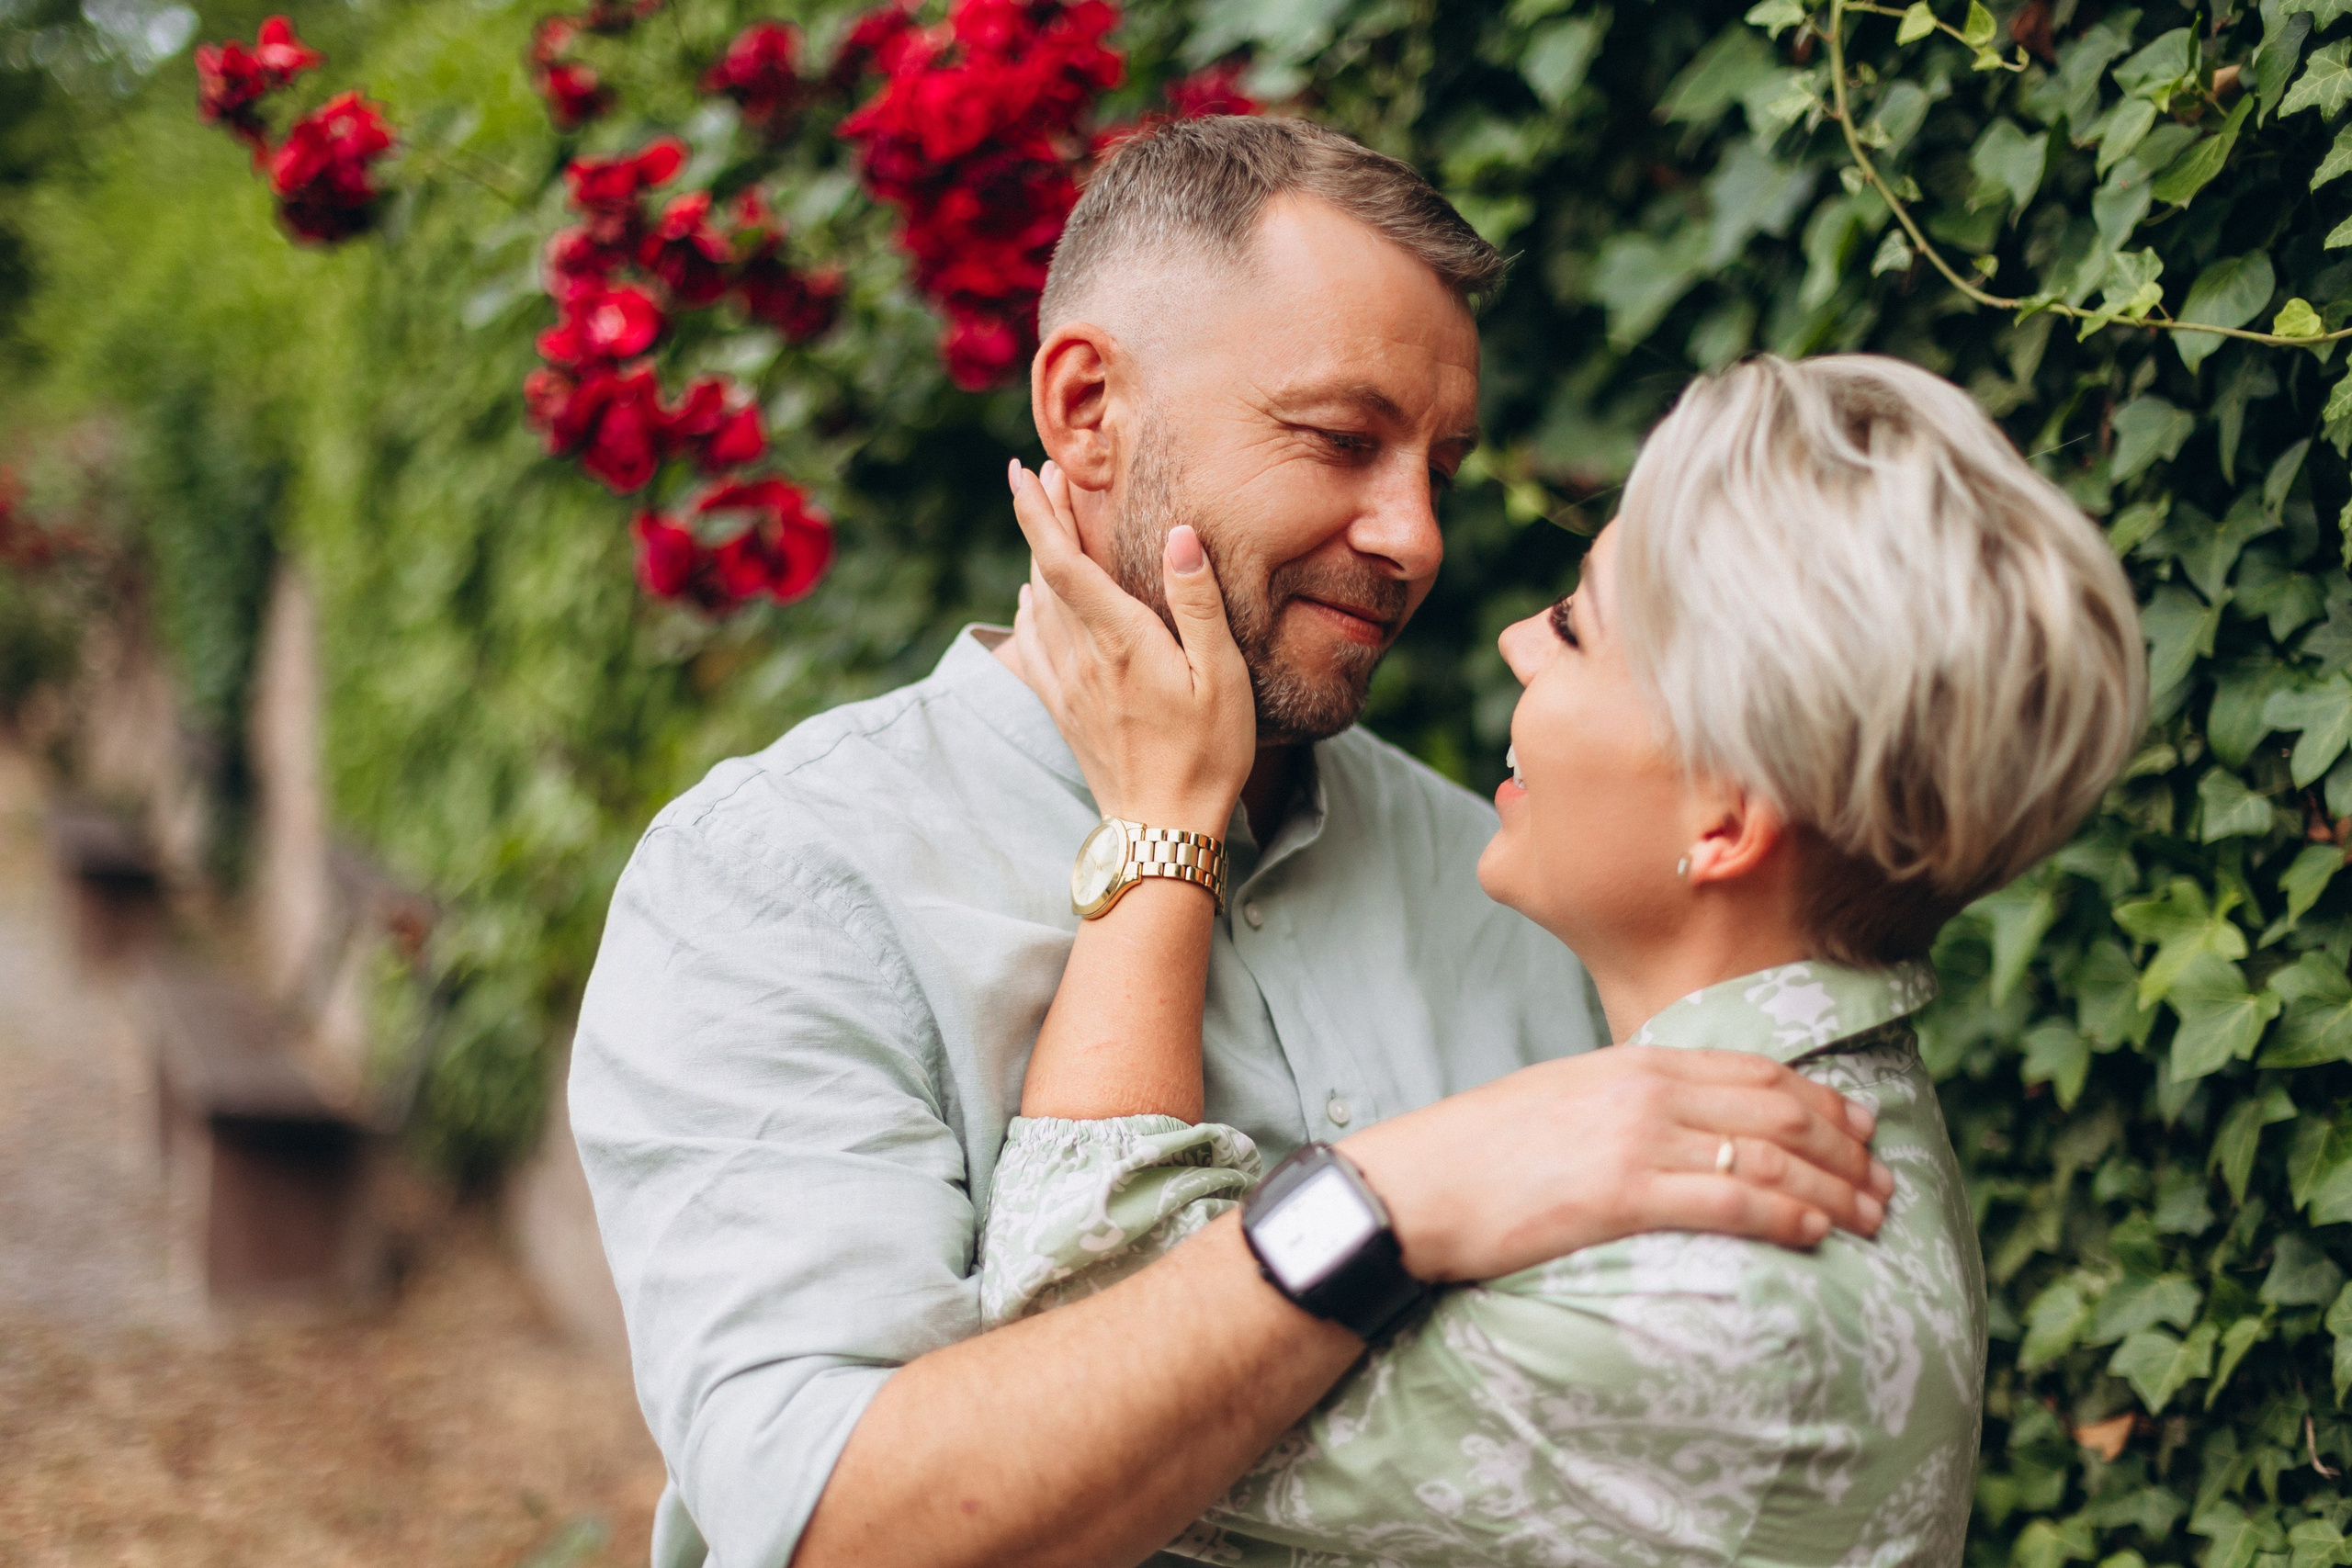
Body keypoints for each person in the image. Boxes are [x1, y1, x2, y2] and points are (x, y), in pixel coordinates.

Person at [570, 117, 1901, 1568]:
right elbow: (844, 1529)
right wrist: (1393, 1204)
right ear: (1088, 413)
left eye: (1440, 469)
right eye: (1341, 440)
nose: (1414, 537)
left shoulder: (1514, 884)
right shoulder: (781, 877)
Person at [982, 352, 2147, 1563]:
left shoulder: (1700, 1300)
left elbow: (1088, 1384)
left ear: (1725, 820)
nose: (1514, 642)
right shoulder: (1826, 1122)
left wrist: (1163, 821)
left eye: (1578, 630)